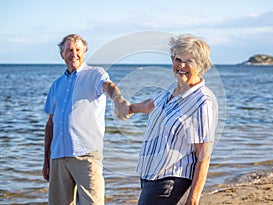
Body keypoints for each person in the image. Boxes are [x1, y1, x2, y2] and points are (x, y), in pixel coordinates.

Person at [129, 34, 218, 205]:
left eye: (189, 61)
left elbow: (204, 155)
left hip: (171, 182)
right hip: (150, 177)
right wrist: (130, 108)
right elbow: (151, 105)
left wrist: (193, 199)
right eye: (178, 59)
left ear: (201, 65)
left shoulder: (202, 102)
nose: (181, 65)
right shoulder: (172, 89)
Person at [42, 34, 130, 205]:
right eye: (69, 50)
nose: (73, 54)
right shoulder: (57, 85)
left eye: (77, 50)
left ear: (84, 52)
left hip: (86, 155)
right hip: (58, 156)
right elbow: (50, 124)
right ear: (62, 54)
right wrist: (46, 160)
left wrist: (119, 100)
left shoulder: (95, 74)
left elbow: (108, 87)